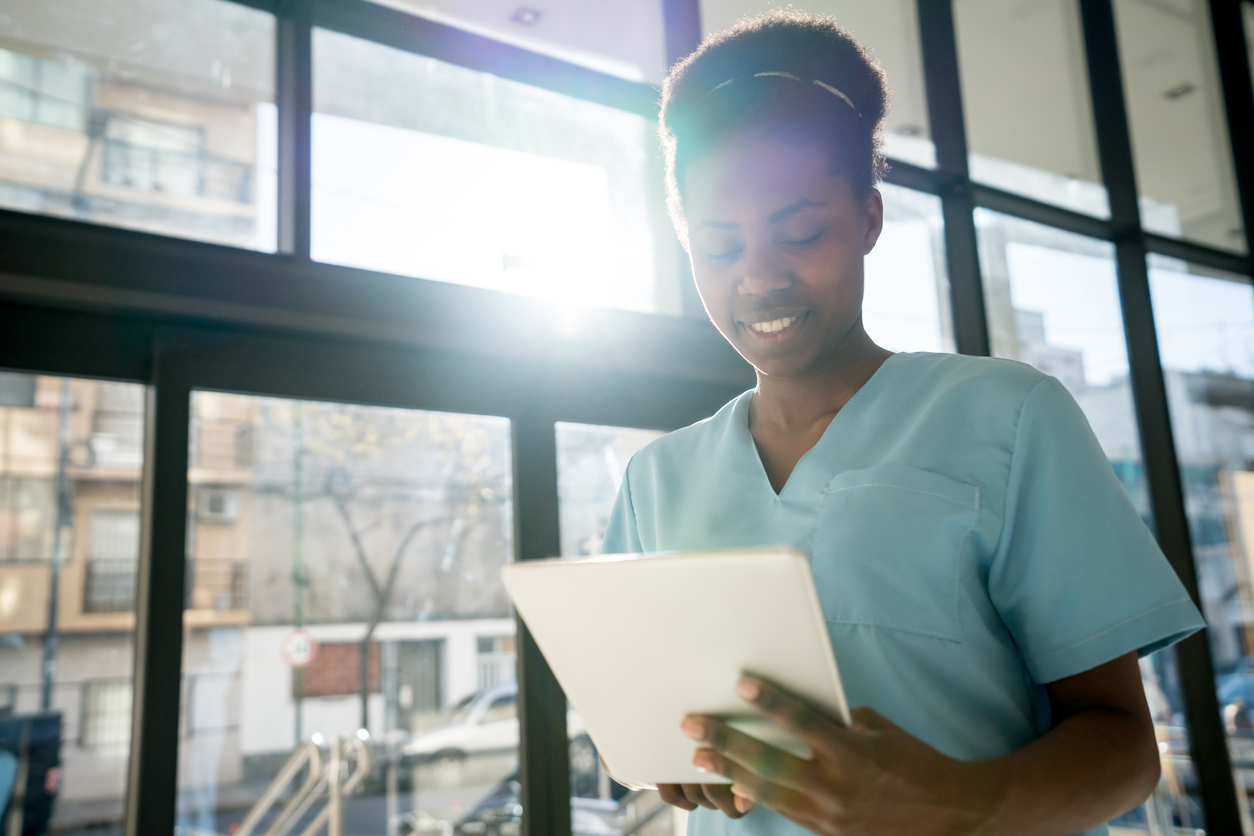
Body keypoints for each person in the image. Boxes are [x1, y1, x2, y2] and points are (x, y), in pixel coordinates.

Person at [598, 11, 1205, 836]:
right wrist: (673, 757)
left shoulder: (1007, 417)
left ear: (869, 221)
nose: (759, 276)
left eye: (801, 230)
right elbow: (655, 714)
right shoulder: (655, 480)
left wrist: (962, 806)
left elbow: (1127, 748)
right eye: (718, 247)